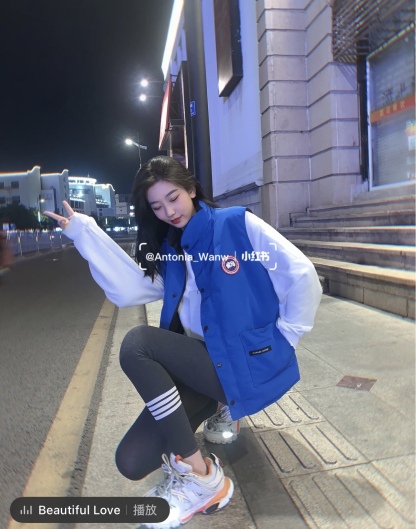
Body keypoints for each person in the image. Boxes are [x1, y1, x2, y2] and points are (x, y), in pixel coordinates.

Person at [45, 156, 322, 529]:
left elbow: (301, 274)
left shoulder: (235, 224)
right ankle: (209, 442)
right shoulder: (171, 248)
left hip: (242, 364)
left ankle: (202, 478)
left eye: (173, 198)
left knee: (138, 344)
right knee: (131, 461)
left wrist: (286, 337)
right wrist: (84, 233)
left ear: (191, 189)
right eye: (157, 206)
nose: (168, 211)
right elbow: (131, 289)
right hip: (203, 369)